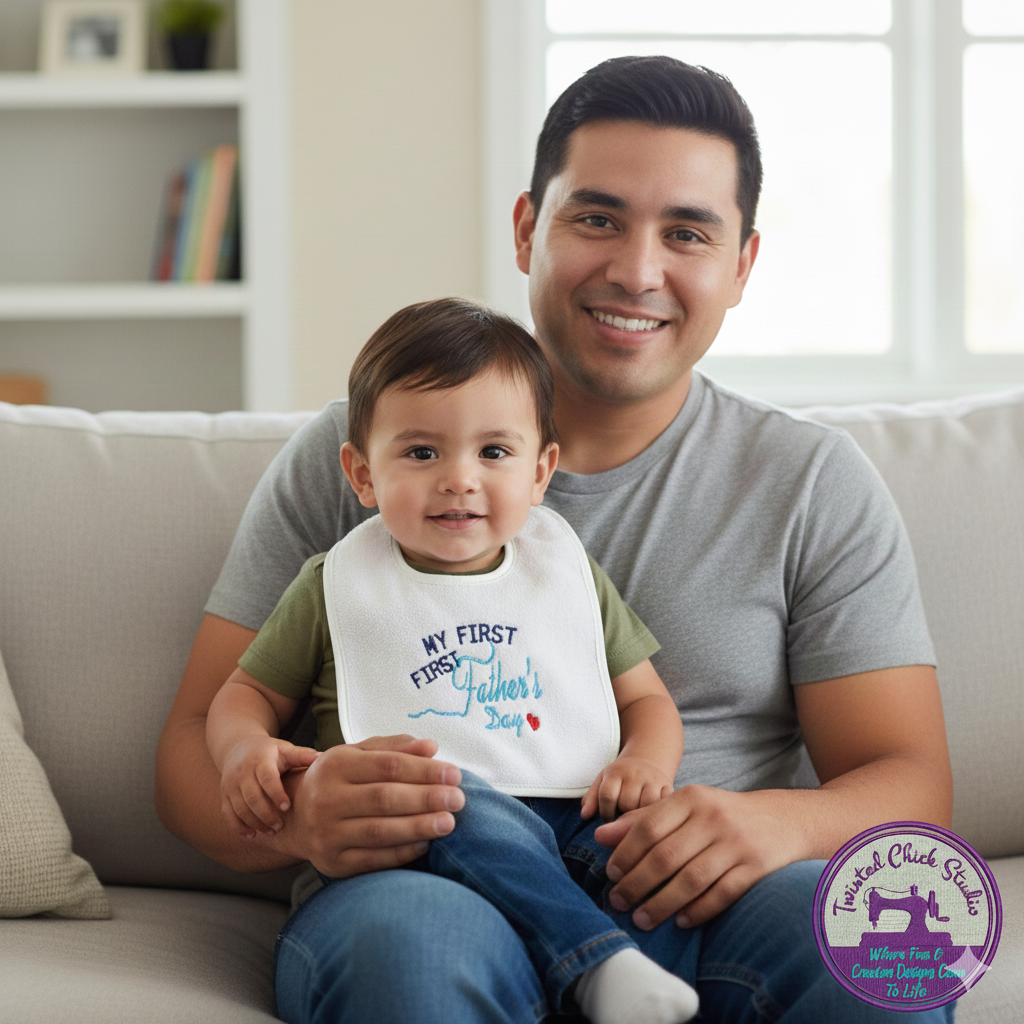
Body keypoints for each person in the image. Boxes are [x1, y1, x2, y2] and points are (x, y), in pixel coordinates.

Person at [156, 56, 955, 1023]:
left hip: (701, 899)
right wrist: (297, 820)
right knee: (413, 950)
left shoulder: (810, 485)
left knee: (881, 942)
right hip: (431, 884)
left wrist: (773, 825)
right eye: (598, 218)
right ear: (530, 227)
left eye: (688, 232)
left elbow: (911, 784)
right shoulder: (365, 458)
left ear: (741, 265)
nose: (637, 269)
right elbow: (197, 746)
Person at [204, 297, 698, 1023]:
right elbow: (243, 693)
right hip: (411, 836)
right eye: (422, 452)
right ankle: (599, 965)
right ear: (362, 473)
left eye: (494, 452)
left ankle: (603, 956)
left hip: (572, 823)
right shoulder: (335, 584)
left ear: (541, 471)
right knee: (448, 793)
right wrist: (246, 750)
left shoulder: (564, 573)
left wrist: (647, 765)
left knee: (644, 853)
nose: (459, 478)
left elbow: (648, 702)